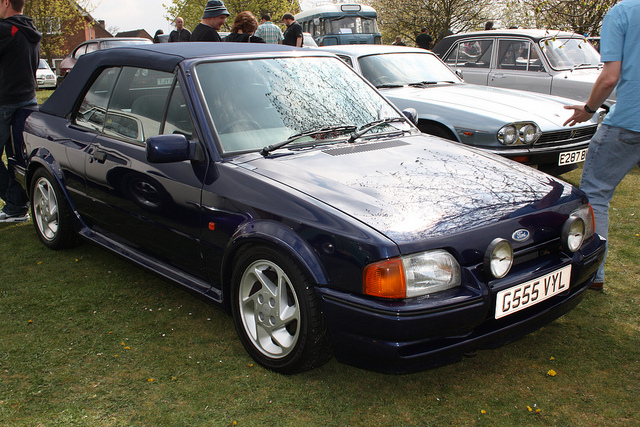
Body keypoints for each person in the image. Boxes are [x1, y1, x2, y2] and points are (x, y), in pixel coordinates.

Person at [563, 0, 640, 291]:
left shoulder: (622, 12)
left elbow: (609, 77)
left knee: (595, 193)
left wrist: (588, 107)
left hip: (629, 121)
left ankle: (594, 274)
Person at [0, 0, 40, 223]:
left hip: (6, 102)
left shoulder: (7, 29)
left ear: (6, 2)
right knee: (17, 156)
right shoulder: (30, 30)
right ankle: (16, 205)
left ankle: (15, 204)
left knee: (17, 156)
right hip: (28, 100)